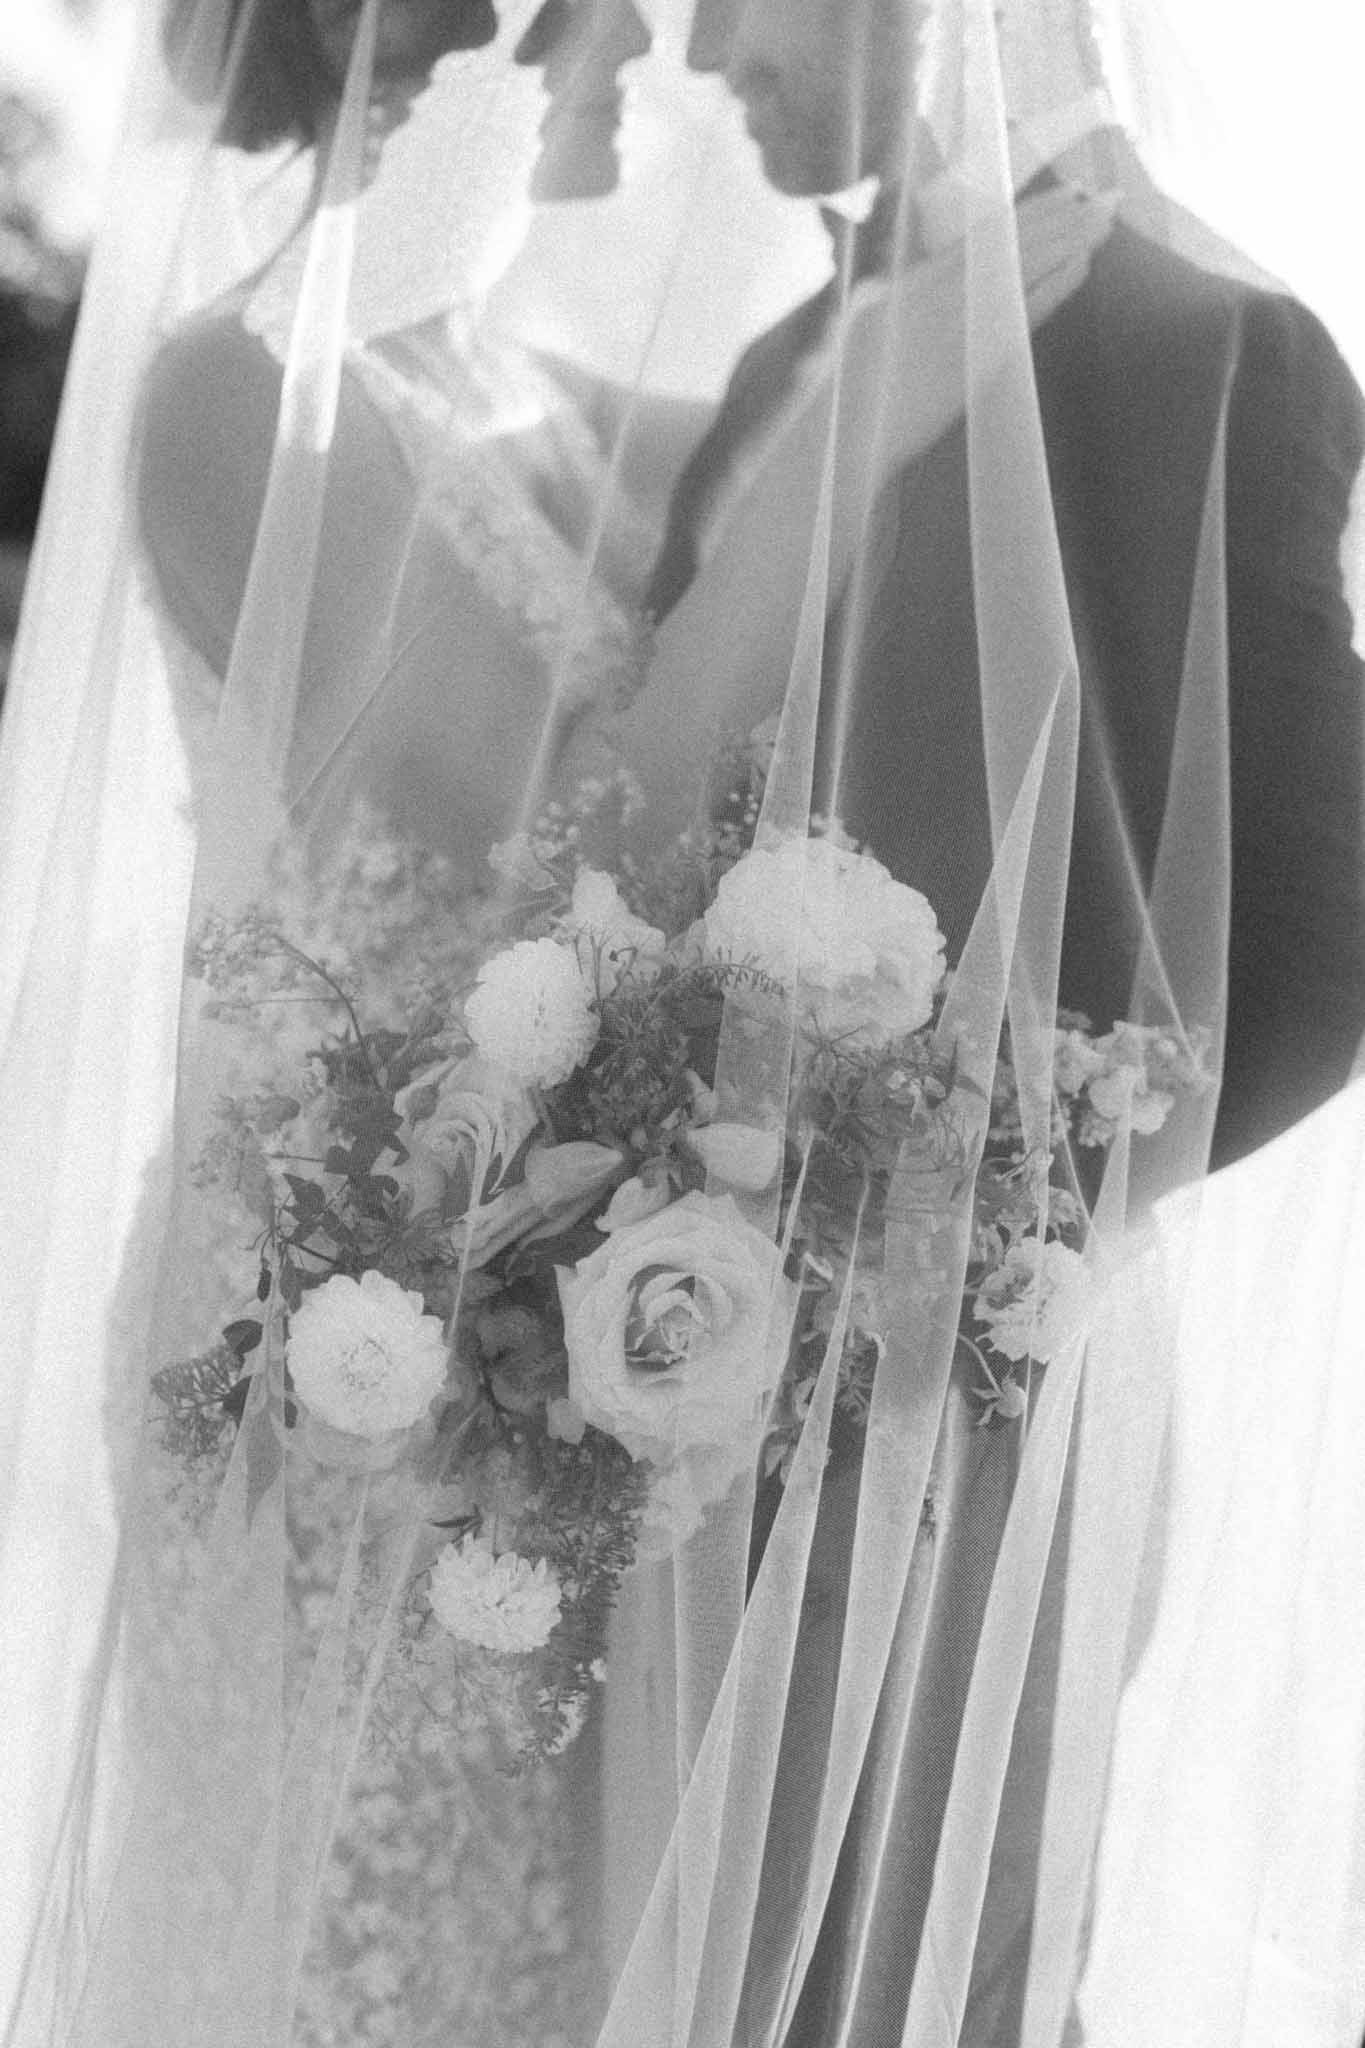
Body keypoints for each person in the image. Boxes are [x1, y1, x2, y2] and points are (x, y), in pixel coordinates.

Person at [3, 4, 1365, 2046]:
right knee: (387, 1959)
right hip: (348, 1331)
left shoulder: (508, 389)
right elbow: (565, 841)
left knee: (591, 1951)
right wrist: (845, 431)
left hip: (535, 1318)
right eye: (601, 10)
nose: (659, 38)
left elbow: (927, 438)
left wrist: (962, 273)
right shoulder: (238, 402)